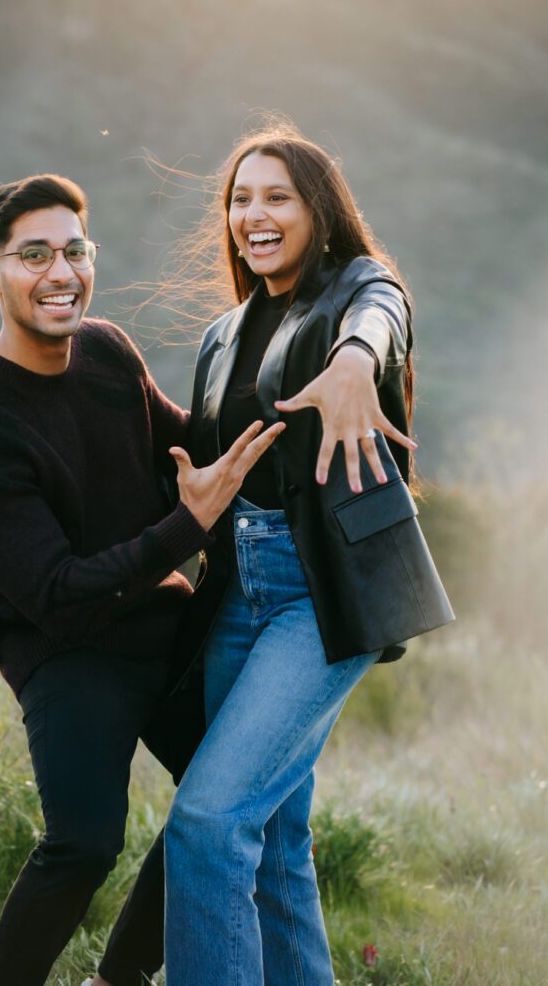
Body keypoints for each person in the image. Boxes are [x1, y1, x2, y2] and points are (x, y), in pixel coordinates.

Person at [0, 173, 284, 986]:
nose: (62, 273)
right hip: (64, 651)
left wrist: (312, 396)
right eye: (35, 255)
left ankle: (116, 982)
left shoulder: (109, 351)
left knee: (232, 808)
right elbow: (56, 590)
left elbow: (183, 445)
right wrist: (189, 524)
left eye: (75, 251)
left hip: (161, 621)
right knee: (84, 842)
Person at [159, 124, 455, 986]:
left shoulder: (355, 297)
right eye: (240, 199)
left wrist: (360, 358)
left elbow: (383, 299)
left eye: (277, 196)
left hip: (317, 594)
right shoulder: (221, 336)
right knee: (276, 838)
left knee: (209, 825)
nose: (255, 214)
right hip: (236, 592)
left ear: (319, 213)